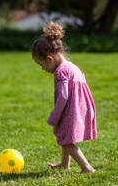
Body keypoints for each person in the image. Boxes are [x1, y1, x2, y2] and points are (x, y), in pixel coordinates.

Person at [32, 21, 97, 173]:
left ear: (50, 59)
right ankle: (64, 164)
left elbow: (63, 96)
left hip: (71, 111)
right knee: (66, 137)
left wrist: (55, 115)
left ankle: (87, 167)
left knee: (67, 142)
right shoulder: (72, 66)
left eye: (41, 64)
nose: (42, 69)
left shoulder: (60, 72)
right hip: (81, 108)